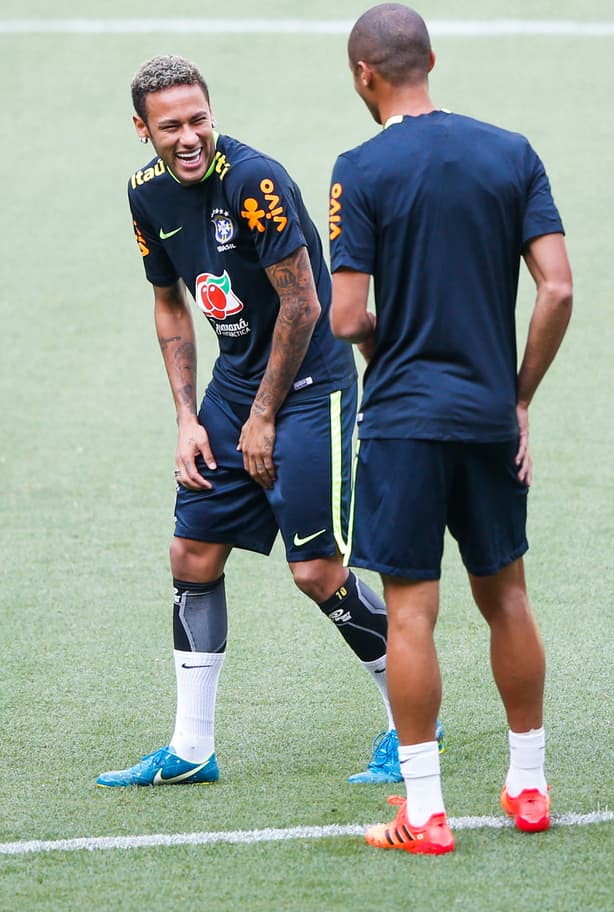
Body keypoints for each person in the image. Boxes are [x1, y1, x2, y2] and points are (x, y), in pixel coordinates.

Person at [98, 54, 416, 789]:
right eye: (170, 125)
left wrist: (264, 417)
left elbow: (304, 304)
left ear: (214, 114)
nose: (188, 137)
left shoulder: (254, 181)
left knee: (316, 571)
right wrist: (187, 417)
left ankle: (408, 722)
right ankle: (190, 748)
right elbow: (171, 302)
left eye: (199, 119)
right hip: (236, 383)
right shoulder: (145, 194)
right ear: (141, 129)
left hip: (310, 382)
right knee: (193, 557)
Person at [328, 3, 573, 855]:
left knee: (410, 615)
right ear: (430, 58)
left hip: (402, 418)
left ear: (365, 74)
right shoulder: (511, 153)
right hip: (485, 415)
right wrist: (519, 397)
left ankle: (426, 811)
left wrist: (383, 342)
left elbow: (346, 313)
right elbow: (558, 289)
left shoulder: (358, 169)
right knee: (507, 596)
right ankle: (531, 786)